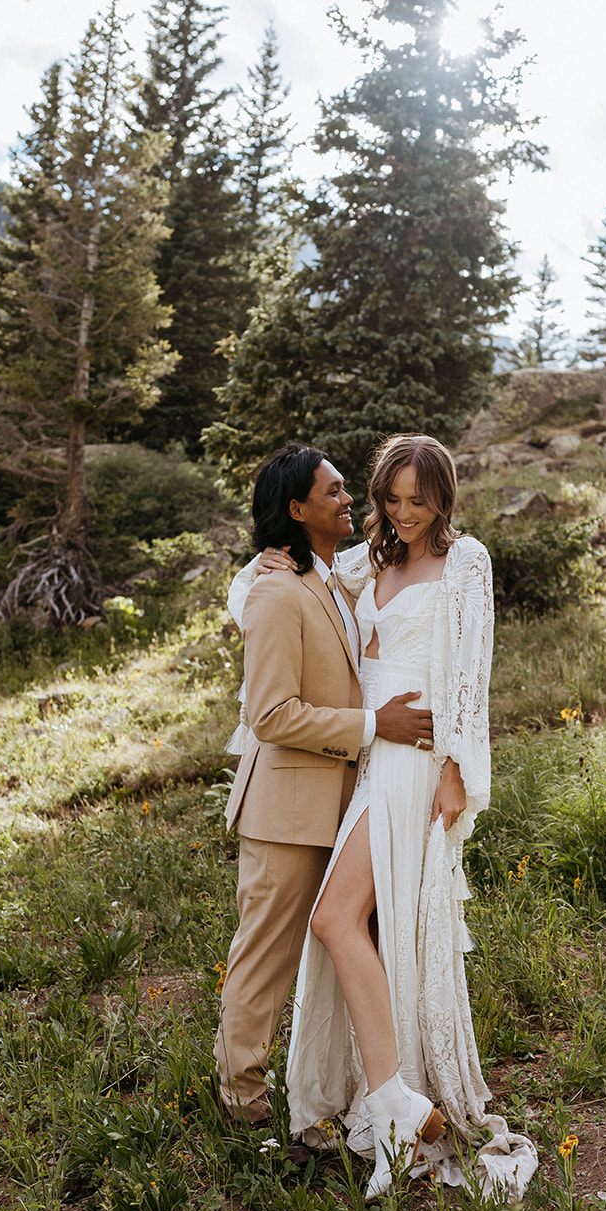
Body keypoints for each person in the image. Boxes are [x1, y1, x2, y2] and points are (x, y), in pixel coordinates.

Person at [231, 434, 537, 1200]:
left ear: (443, 498)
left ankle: (395, 1102)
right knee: (356, 924)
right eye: (389, 499)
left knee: (337, 919)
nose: (402, 513)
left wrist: (459, 773)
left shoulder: (464, 560)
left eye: (417, 500)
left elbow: (472, 671)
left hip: (417, 756)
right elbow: (263, 591)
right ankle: (391, 1103)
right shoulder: (369, 558)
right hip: (371, 755)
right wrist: (263, 561)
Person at [214, 443, 436, 1130]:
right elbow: (271, 714)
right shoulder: (279, 590)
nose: (350, 500)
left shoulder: (324, 577)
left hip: (344, 802)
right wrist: (378, 724)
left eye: (347, 489)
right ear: (297, 508)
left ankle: (348, 1089)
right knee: (265, 956)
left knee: (339, 943)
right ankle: (242, 1101)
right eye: (335, 491)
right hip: (286, 811)